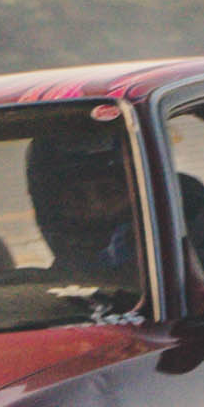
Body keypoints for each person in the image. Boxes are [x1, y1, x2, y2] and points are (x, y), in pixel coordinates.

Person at [25, 122, 149, 298]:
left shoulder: (177, 283)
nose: (95, 208)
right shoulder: (30, 298)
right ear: (50, 210)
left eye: (110, 193)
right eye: (76, 197)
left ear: (139, 199)